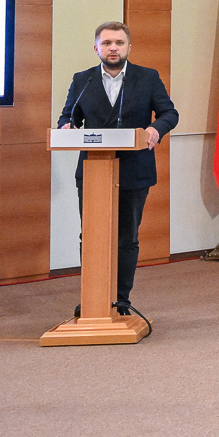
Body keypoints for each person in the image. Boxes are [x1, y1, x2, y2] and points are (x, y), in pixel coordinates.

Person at [58, 21, 177, 314]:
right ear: (96, 48)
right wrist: (67, 127)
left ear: (128, 47)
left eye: (119, 43)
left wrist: (155, 129)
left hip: (134, 170)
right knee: (92, 235)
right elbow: (68, 116)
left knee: (126, 237)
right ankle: (93, 297)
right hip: (94, 170)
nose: (113, 48)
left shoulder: (147, 77)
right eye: (107, 43)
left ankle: (121, 297)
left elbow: (169, 113)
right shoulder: (83, 79)